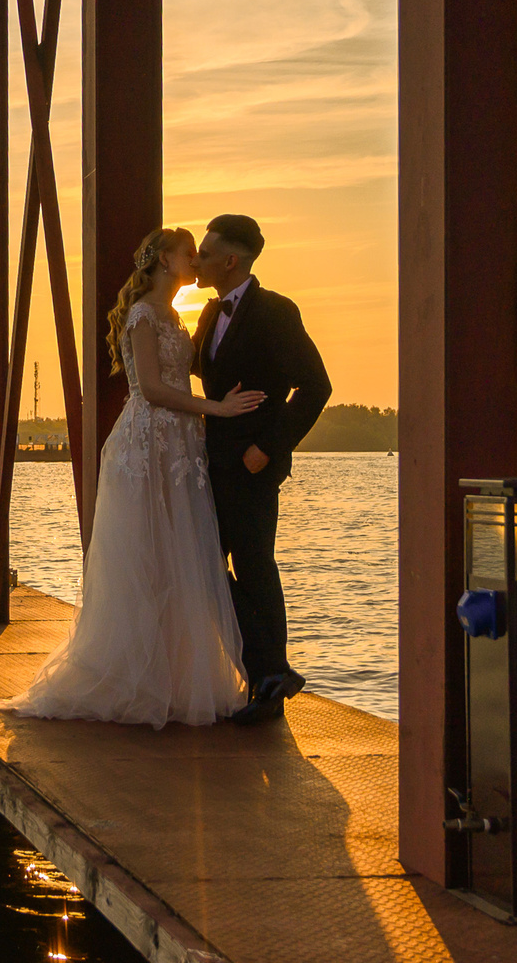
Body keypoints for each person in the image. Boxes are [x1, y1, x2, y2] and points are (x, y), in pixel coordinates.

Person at [2, 227, 266, 728]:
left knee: (178, 555)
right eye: (188, 253)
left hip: (181, 446)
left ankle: (173, 680)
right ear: (165, 259)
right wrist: (219, 410)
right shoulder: (144, 314)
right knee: (145, 557)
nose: (195, 260)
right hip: (147, 445)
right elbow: (149, 388)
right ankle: (131, 677)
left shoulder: (173, 314)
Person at [191, 213, 332, 724]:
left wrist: (268, 449)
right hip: (210, 464)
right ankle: (268, 669)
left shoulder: (275, 311)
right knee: (205, 564)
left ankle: (269, 681)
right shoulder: (207, 316)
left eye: (206, 253)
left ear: (231, 260)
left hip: (252, 468)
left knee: (253, 566)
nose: (198, 260)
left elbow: (316, 387)